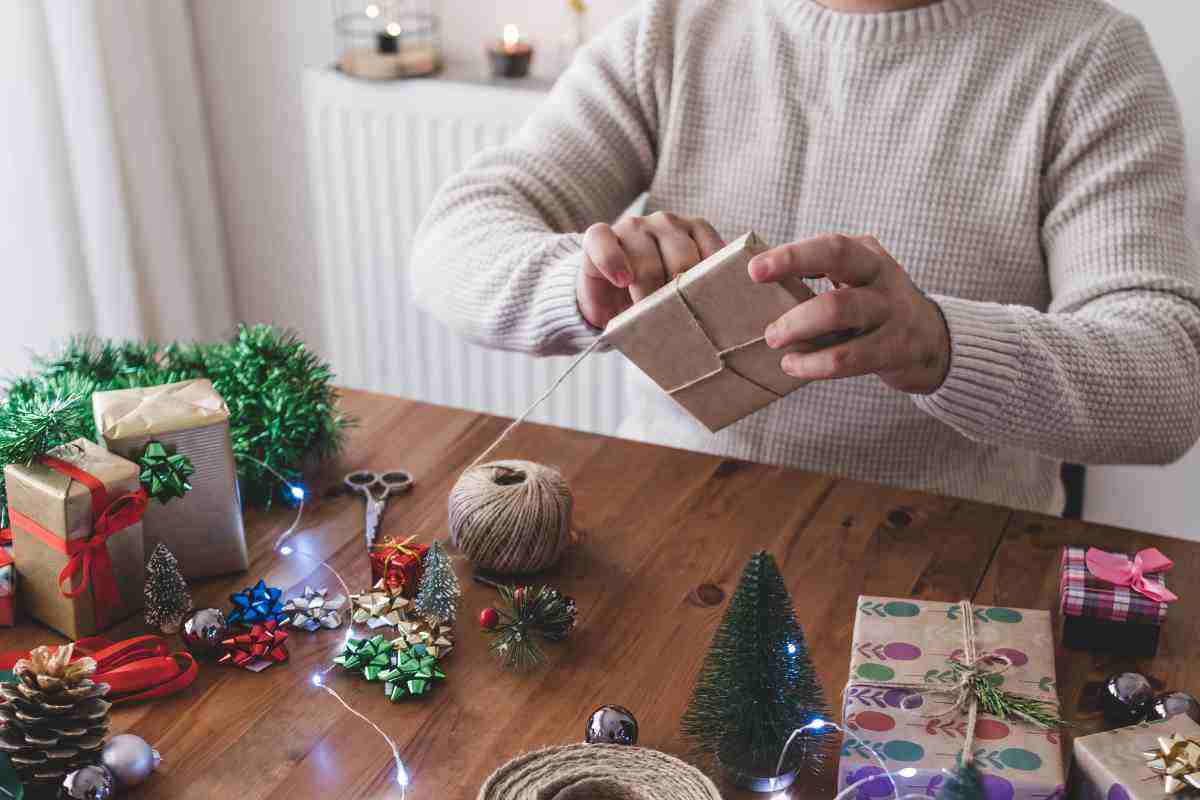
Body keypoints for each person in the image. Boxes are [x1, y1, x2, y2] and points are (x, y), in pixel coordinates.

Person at [411, 0, 1200, 514]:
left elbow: (1168, 381)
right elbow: (454, 241)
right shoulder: (675, 28)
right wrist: (586, 284)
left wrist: (944, 346)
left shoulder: (1088, 56)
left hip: (951, 555)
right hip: (674, 515)